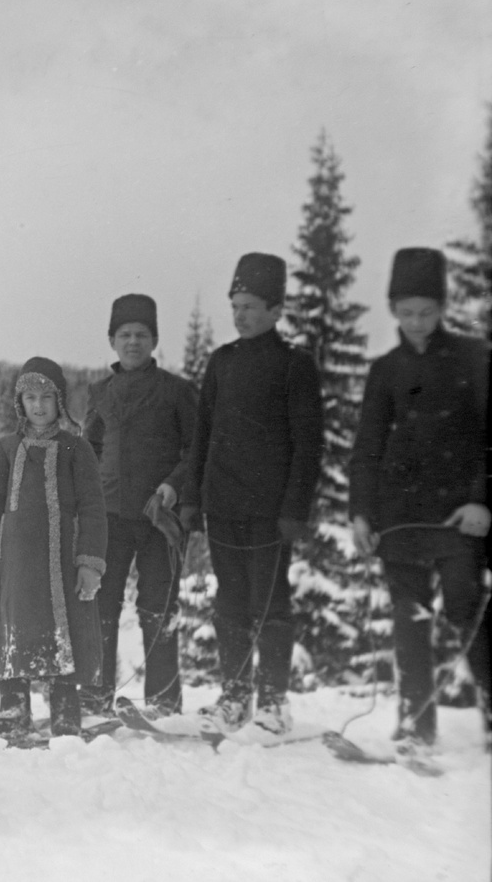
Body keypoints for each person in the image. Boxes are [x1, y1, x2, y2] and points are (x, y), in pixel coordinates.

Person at [348, 247, 491, 752]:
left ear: (442, 306)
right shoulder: (384, 370)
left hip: (458, 516)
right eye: (406, 312)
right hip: (400, 516)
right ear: (392, 310)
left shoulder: (474, 357)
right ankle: (416, 724)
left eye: (426, 312)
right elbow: (366, 446)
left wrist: (481, 501)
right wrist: (361, 513)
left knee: (467, 611)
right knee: (409, 619)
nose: (416, 322)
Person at [181, 254, 324, 735]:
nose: (240, 315)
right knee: (230, 604)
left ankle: (274, 703)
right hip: (223, 506)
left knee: (270, 605)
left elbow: (308, 443)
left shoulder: (294, 366)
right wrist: (192, 499)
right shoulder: (221, 363)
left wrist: (294, 509)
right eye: (235, 305)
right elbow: (202, 435)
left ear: (277, 309)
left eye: (250, 306)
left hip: (269, 513)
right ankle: (236, 695)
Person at [0, 357, 108, 738]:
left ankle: (65, 708)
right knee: (14, 629)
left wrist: (90, 563)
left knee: (64, 632)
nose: (39, 405)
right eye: (30, 397)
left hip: (62, 561)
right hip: (13, 563)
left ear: (60, 401)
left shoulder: (77, 450)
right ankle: (13, 708)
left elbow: (94, 509)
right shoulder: (5, 449)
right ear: (20, 402)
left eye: (47, 396)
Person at [83, 294, 198, 718]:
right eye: (125, 335)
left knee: (158, 609)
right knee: (99, 605)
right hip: (108, 519)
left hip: (158, 519)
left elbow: (195, 450)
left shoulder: (177, 392)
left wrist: (172, 485)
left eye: (142, 335)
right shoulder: (100, 393)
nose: (133, 342)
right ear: (112, 340)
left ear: (154, 341)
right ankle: (93, 695)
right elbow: (88, 449)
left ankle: (164, 702)